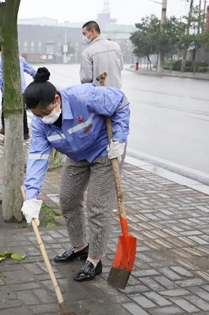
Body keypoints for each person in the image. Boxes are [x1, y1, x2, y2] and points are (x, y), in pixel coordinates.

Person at [21, 67, 130, 282]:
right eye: (38, 115)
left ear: (57, 99)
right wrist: (31, 196)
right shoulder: (41, 123)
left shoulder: (84, 97)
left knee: (97, 207)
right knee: (68, 200)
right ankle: (80, 246)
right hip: (76, 155)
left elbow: (121, 102)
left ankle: (95, 260)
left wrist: (120, 137)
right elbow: (38, 157)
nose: (44, 118)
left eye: (46, 112)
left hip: (105, 150)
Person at [0, 44, 36, 143]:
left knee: (6, 113)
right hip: (21, 90)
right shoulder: (20, 59)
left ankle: (7, 135)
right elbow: (31, 70)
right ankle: (25, 134)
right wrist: (38, 77)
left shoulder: (0, 60)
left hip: (8, 92)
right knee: (22, 112)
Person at [80, 21, 124, 89]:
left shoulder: (87, 53)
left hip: (98, 95)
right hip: (116, 94)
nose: (84, 37)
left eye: (84, 34)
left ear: (92, 31)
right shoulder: (116, 47)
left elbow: (86, 79)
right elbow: (120, 67)